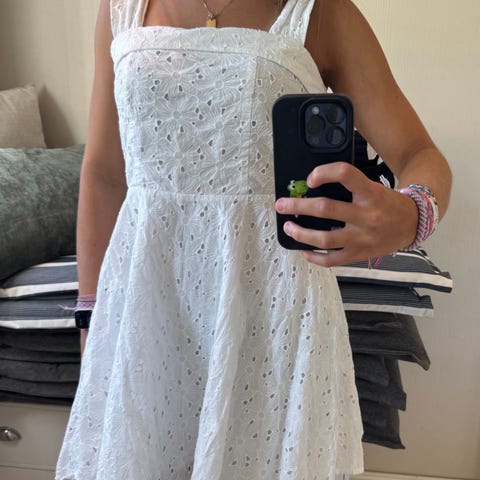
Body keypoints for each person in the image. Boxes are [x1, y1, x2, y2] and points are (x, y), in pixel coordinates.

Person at [56, 0, 452, 479]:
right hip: (145, 305)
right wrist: (90, 319)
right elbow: (104, 175)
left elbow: (419, 153)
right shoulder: (122, 8)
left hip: (272, 309)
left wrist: (413, 213)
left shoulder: (319, 11)